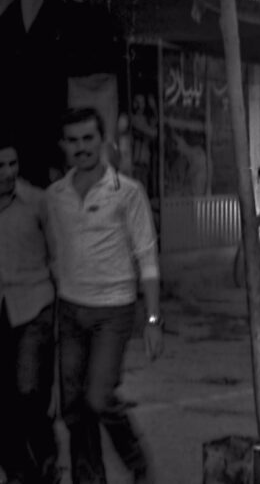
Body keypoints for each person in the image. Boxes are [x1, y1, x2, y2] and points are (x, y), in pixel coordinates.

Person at [46, 107, 163, 484]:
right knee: (73, 407)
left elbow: (146, 256)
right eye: (73, 140)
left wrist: (153, 320)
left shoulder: (127, 192)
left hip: (114, 311)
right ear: (63, 145)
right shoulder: (55, 196)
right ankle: (89, 477)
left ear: (102, 140)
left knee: (99, 398)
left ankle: (137, 464)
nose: (81, 148)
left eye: (88, 138)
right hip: (70, 309)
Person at [0, 140, 59, 483]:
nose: (8, 173)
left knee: (28, 389)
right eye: (0, 166)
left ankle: (47, 456)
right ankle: (18, 467)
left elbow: (58, 254)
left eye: (12, 164)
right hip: (2, 308)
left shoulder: (37, 202)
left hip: (35, 305)